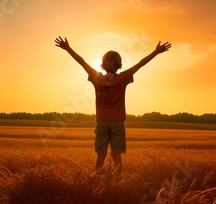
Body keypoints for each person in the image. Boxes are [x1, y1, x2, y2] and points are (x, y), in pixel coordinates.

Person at [54, 36, 171, 172]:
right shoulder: (122, 78)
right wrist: (156, 52)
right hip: (118, 122)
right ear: (120, 66)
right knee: (116, 154)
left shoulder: (97, 78)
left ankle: (98, 177)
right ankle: (118, 179)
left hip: (101, 121)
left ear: (102, 65)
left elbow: (82, 62)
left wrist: (67, 48)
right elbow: (141, 63)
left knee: (101, 154)